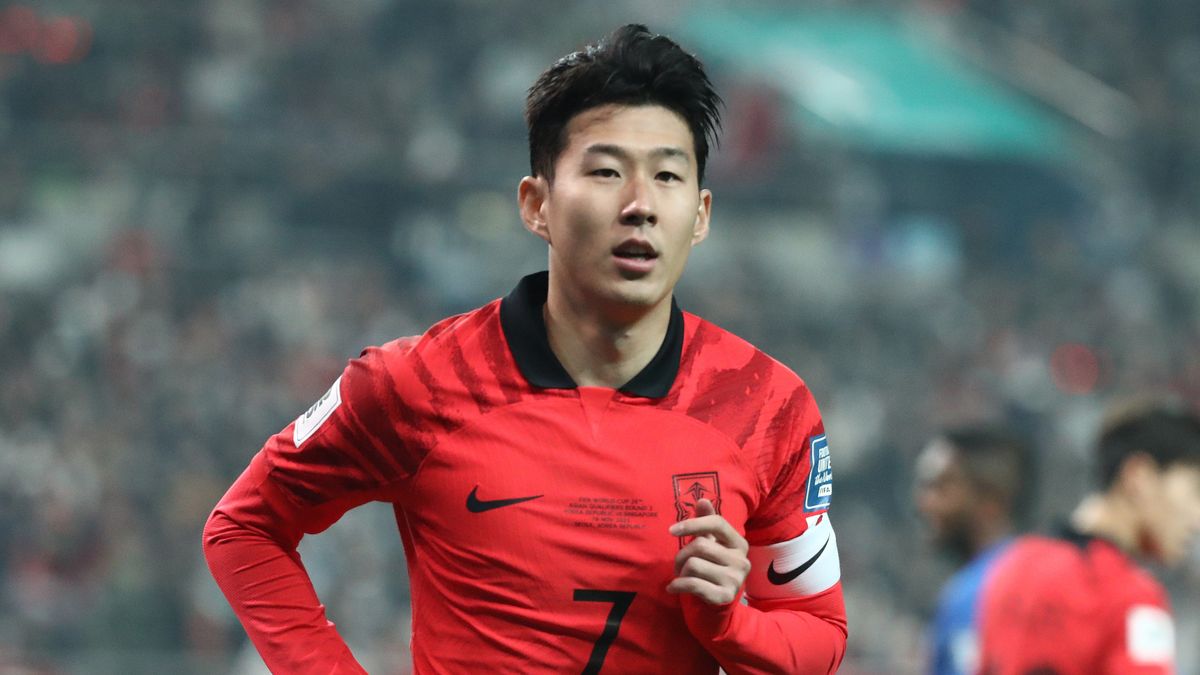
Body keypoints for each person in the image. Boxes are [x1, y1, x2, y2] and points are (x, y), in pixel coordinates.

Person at [203, 24, 847, 674]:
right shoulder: (412, 383)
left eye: (668, 175)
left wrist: (731, 624)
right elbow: (243, 527)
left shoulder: (769, 405)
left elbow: (819, 636)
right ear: (536, 204)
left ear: (701, 214)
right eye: (605, 171)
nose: (640, 205)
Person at [977, 401, 1200, 674]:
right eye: (1195, 489)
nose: (1197, 519)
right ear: (1139, 476)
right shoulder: (1132, 598)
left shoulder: (1010, 566)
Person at [913, 426, 1031, 675]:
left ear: (991, 501)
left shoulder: (979, 594)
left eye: (941, 487)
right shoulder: (1030, 578)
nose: (924, 503)